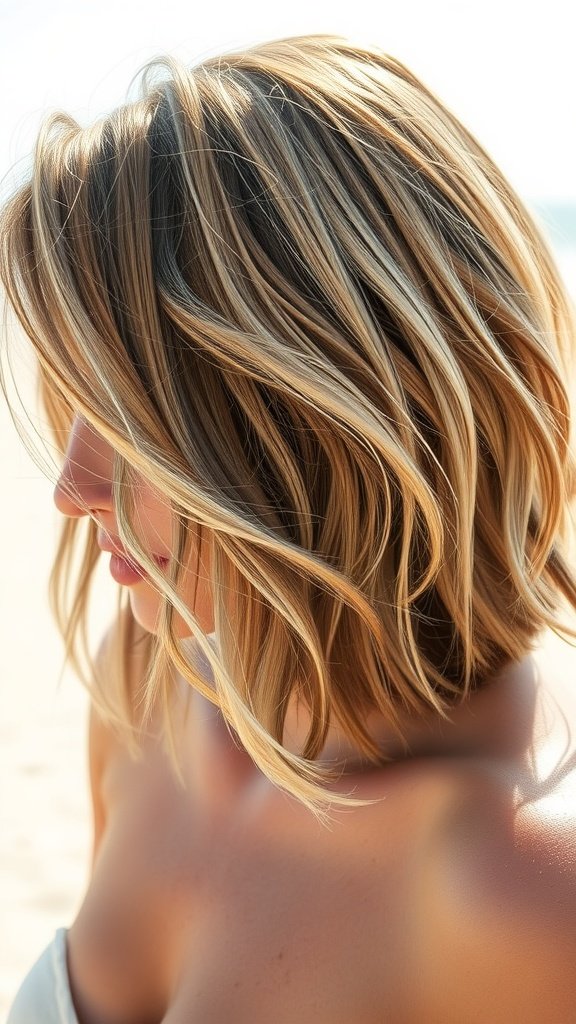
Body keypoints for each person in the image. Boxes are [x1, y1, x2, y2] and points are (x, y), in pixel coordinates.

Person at [2, 32, 576, 1024]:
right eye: (75, 399)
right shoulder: (148, 699)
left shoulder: (526, 894)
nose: (71, 485)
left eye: (134, 418)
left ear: (315, 419)